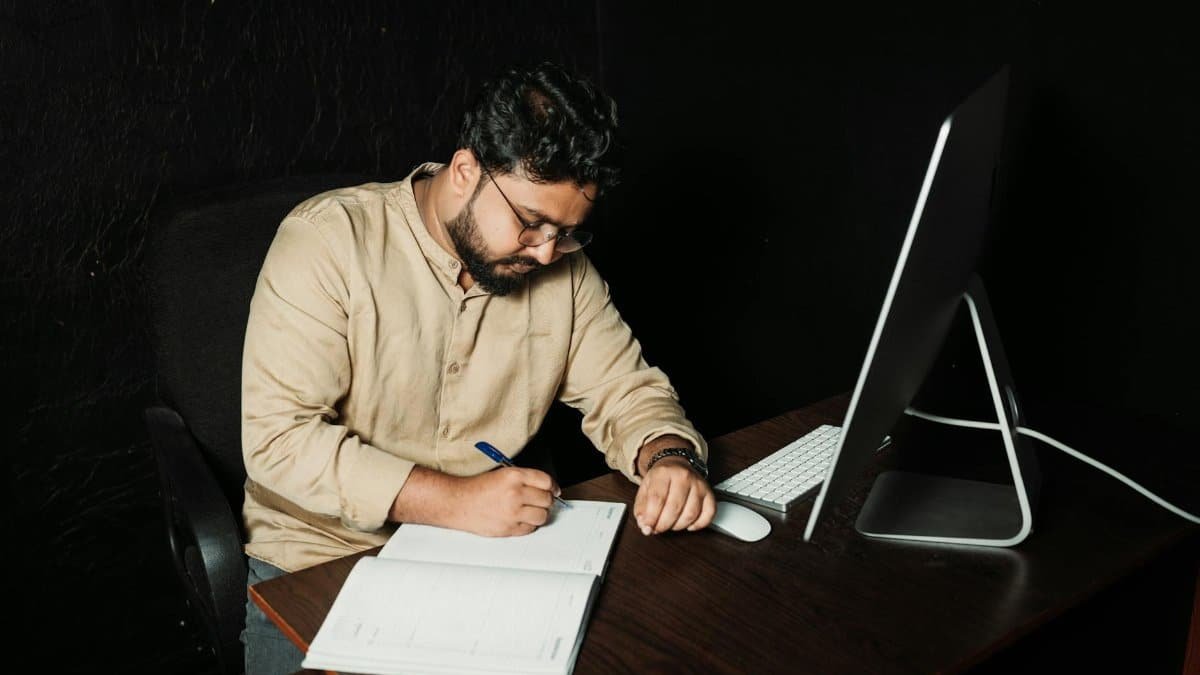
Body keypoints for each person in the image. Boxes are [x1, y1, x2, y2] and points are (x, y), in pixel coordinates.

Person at [238, 60, 715, 674]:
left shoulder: (562, 273)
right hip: (318, 560)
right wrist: (455, 501)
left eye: (568, 232)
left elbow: (627, 391)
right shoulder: (327, 244)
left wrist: (670, 457)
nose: (547, 251)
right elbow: (280, 442)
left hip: (488, 558)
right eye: (530, 222)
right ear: (465, 171)